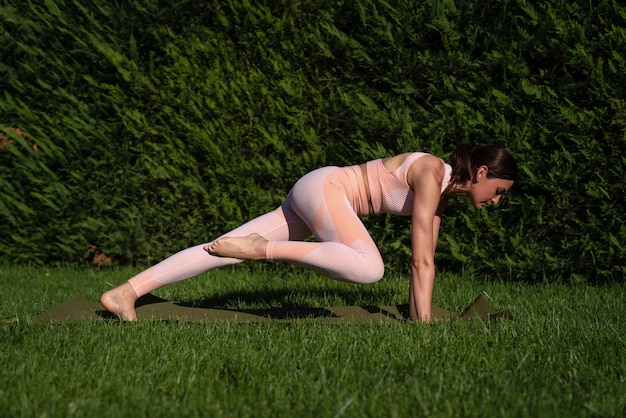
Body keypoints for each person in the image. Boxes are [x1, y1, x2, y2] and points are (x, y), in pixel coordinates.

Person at [101, 144, 517, 322]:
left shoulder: (442, 192)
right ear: (482, 172)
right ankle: (265, 250)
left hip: (317, 190)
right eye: (498, 191)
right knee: (370, 268)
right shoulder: (432, 172)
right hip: (326, 189)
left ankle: (124, 293)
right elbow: (419, 258)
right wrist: (424, 325)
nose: (496, 201)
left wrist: (419, 317)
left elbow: (425, 261)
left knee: (223, 249)